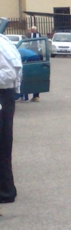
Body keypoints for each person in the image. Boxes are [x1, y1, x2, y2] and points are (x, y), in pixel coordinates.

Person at [0, 34, 22, 204]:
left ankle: (6, 191)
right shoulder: (4, 41)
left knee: (2, 146)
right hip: (5, 96)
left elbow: (9, 74)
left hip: (2, 95)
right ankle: (7, 189)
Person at [23, 26, 42, 102]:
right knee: (35, 78)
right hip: (35, 57)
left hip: (32, 59)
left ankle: (27, 97)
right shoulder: (31, 36)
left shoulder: (35, 36)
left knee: (26, 78)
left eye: (32, 30)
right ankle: (35, 96)